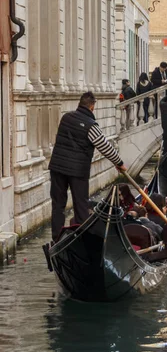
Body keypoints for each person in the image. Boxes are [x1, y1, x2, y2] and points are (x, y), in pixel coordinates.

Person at [49, 91, 127, 241]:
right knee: (81, 206)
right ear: (92, 107)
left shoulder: (66, 118)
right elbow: (105, 147)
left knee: (58, 205)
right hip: (77, 172)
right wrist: (119, 163)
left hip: (57, 167)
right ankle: (83, 239)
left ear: (80, 104)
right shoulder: (91, 126)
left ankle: (56, 239)